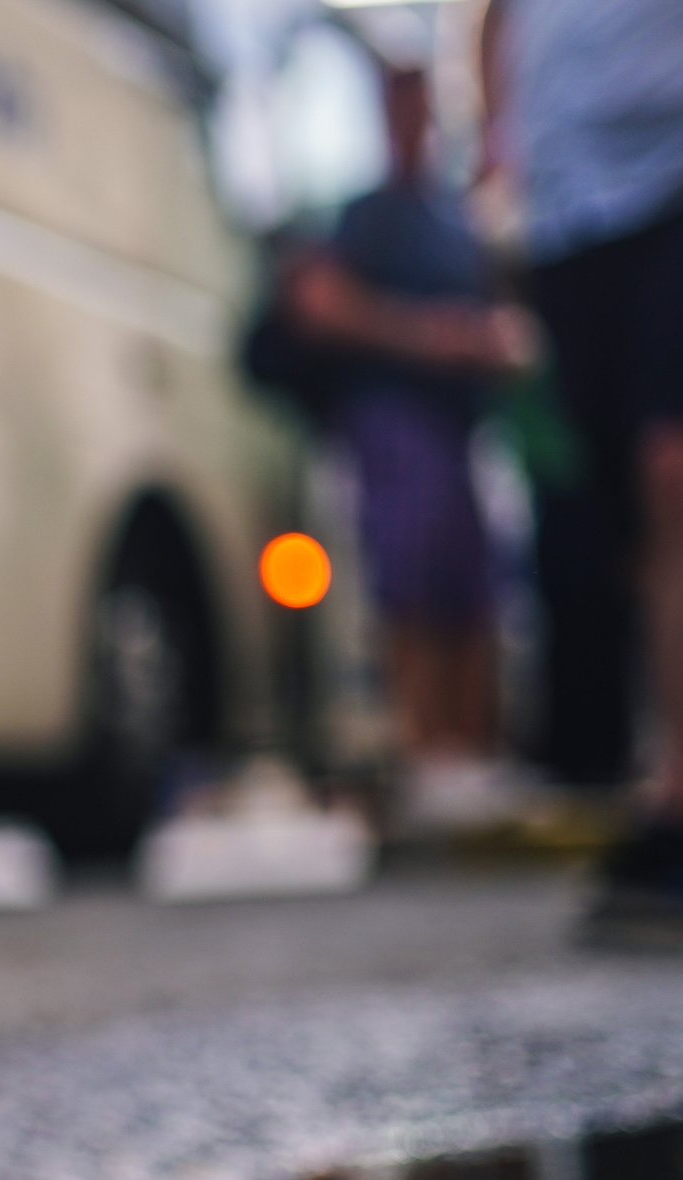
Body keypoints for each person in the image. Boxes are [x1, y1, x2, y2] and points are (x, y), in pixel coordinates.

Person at [282, 64, 534, 831]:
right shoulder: (366, 216)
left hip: (464, 430)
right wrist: (424, 336)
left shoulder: (455, 219)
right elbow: (317, 302)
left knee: (474, 586)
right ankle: (425, 753)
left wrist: (491, 344)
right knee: (413, 576)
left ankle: (473, 755)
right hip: (394, 419)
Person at [481, 0, 683, 941]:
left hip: (670, 169)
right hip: (566, 208)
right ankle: (666, 777)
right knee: (625, 532)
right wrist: (499, 135)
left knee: (672, 471)